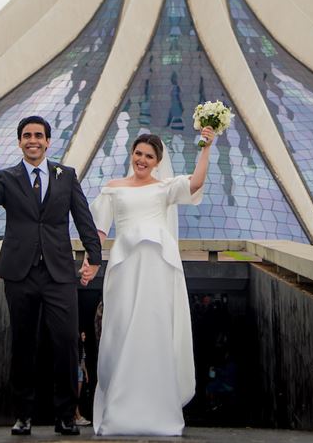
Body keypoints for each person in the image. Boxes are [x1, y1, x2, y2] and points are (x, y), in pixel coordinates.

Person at [80, 126, 216, 436]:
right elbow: (99, 232)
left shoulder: (164, 188)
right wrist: (89, 261)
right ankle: (119, 407)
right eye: (138, 153)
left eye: (149, 156)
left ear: (157, 161)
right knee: (122, 328)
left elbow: (196, 183)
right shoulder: (113, 188)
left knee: (154, 329)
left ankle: (158, 410)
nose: (142, 159)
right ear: (132, 155)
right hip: (125, 267)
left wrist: (207, 146)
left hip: (157, 267)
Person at [0, 115, 102, 437]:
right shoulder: (7, 177)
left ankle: (65, 416)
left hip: (59, 273)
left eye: (39, 135)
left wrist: (94, 257)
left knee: (66, 343)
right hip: (20, 273)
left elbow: (84, 219)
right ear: (20, 142)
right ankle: (23, 414)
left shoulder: (66, 176)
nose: (33, 140)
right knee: (23, 344)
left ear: (47, 141)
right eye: (27, 135)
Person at [74, 331, 90, 426]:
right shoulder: (77, 347)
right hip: (77, 370)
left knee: (77, 396)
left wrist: (86, 373)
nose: (84, 336)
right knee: (75, 395)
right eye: (83, 335)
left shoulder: (82, 347)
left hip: (80, 371)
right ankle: (78, 416)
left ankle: (76, 417)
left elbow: (83, 361)